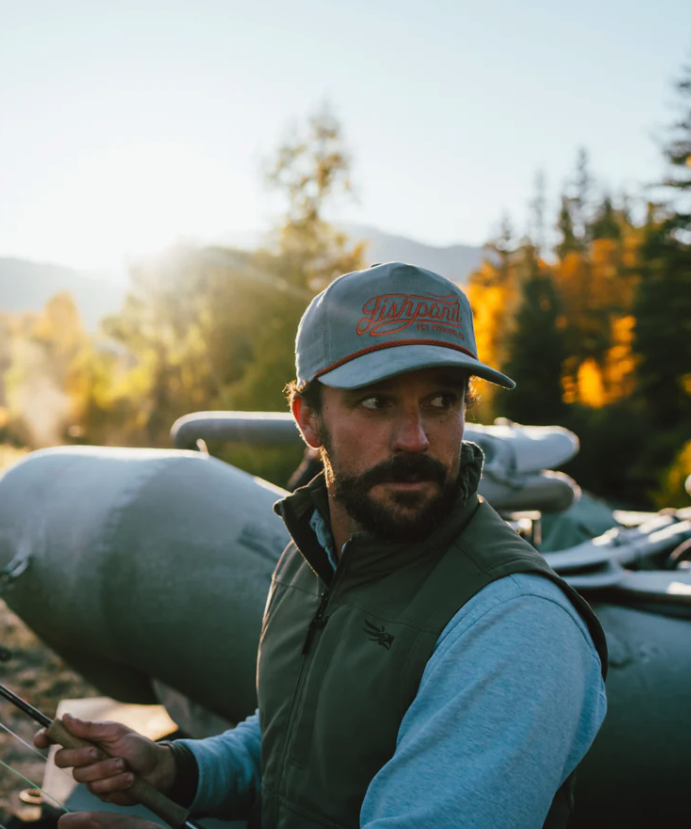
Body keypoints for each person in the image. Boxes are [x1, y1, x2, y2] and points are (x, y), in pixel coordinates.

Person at [34, 262, 608, 829]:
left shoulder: (515, 625)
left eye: (441, 401)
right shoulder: (314, 554)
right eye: (376, 402)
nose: (415, 438)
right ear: (308, 420)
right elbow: (296, 741)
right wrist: (177, 768)